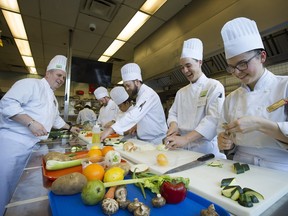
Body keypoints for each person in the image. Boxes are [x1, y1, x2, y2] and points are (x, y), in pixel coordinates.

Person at [0, 55, 80, 215]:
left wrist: (71, 128)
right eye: (59, 75)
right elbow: (7, 104)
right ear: (48, 73)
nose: (61, 79)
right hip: (13, 145)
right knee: (3, 188)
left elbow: (55, 119)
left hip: (32, 147)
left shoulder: (52, 98)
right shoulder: (30, 84)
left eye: (63, 77)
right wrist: (30, 123)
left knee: (15, 190)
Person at [217, 17, 288, 171]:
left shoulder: (285, 86)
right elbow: (223, 132)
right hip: (240, 167)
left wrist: (259, 124)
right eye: (231, 67)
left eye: (242, 64)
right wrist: (225, 142)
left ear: (262, 56)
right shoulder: (231, 98)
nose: (236, 72)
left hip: (280, 169)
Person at [165, 38, 226, 158]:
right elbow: (173, 113)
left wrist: (185, 139)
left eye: (188, 65)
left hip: (205, 151)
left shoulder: (213, 86)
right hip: (181, 149)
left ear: (199, 62)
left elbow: (213, 119)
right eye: (182, 67)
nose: (185, 71)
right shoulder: (181, 92)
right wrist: (173, 125)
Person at [100, 63, 167, 144]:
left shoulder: (148, 94)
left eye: (128, 85)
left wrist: (111, 129)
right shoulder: (139, 95)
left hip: (155, 141)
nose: (127, 89)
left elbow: (134, 115)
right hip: (145, 139)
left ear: (137, 82)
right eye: (125, 86)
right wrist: (137, 126)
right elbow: (144, 117)